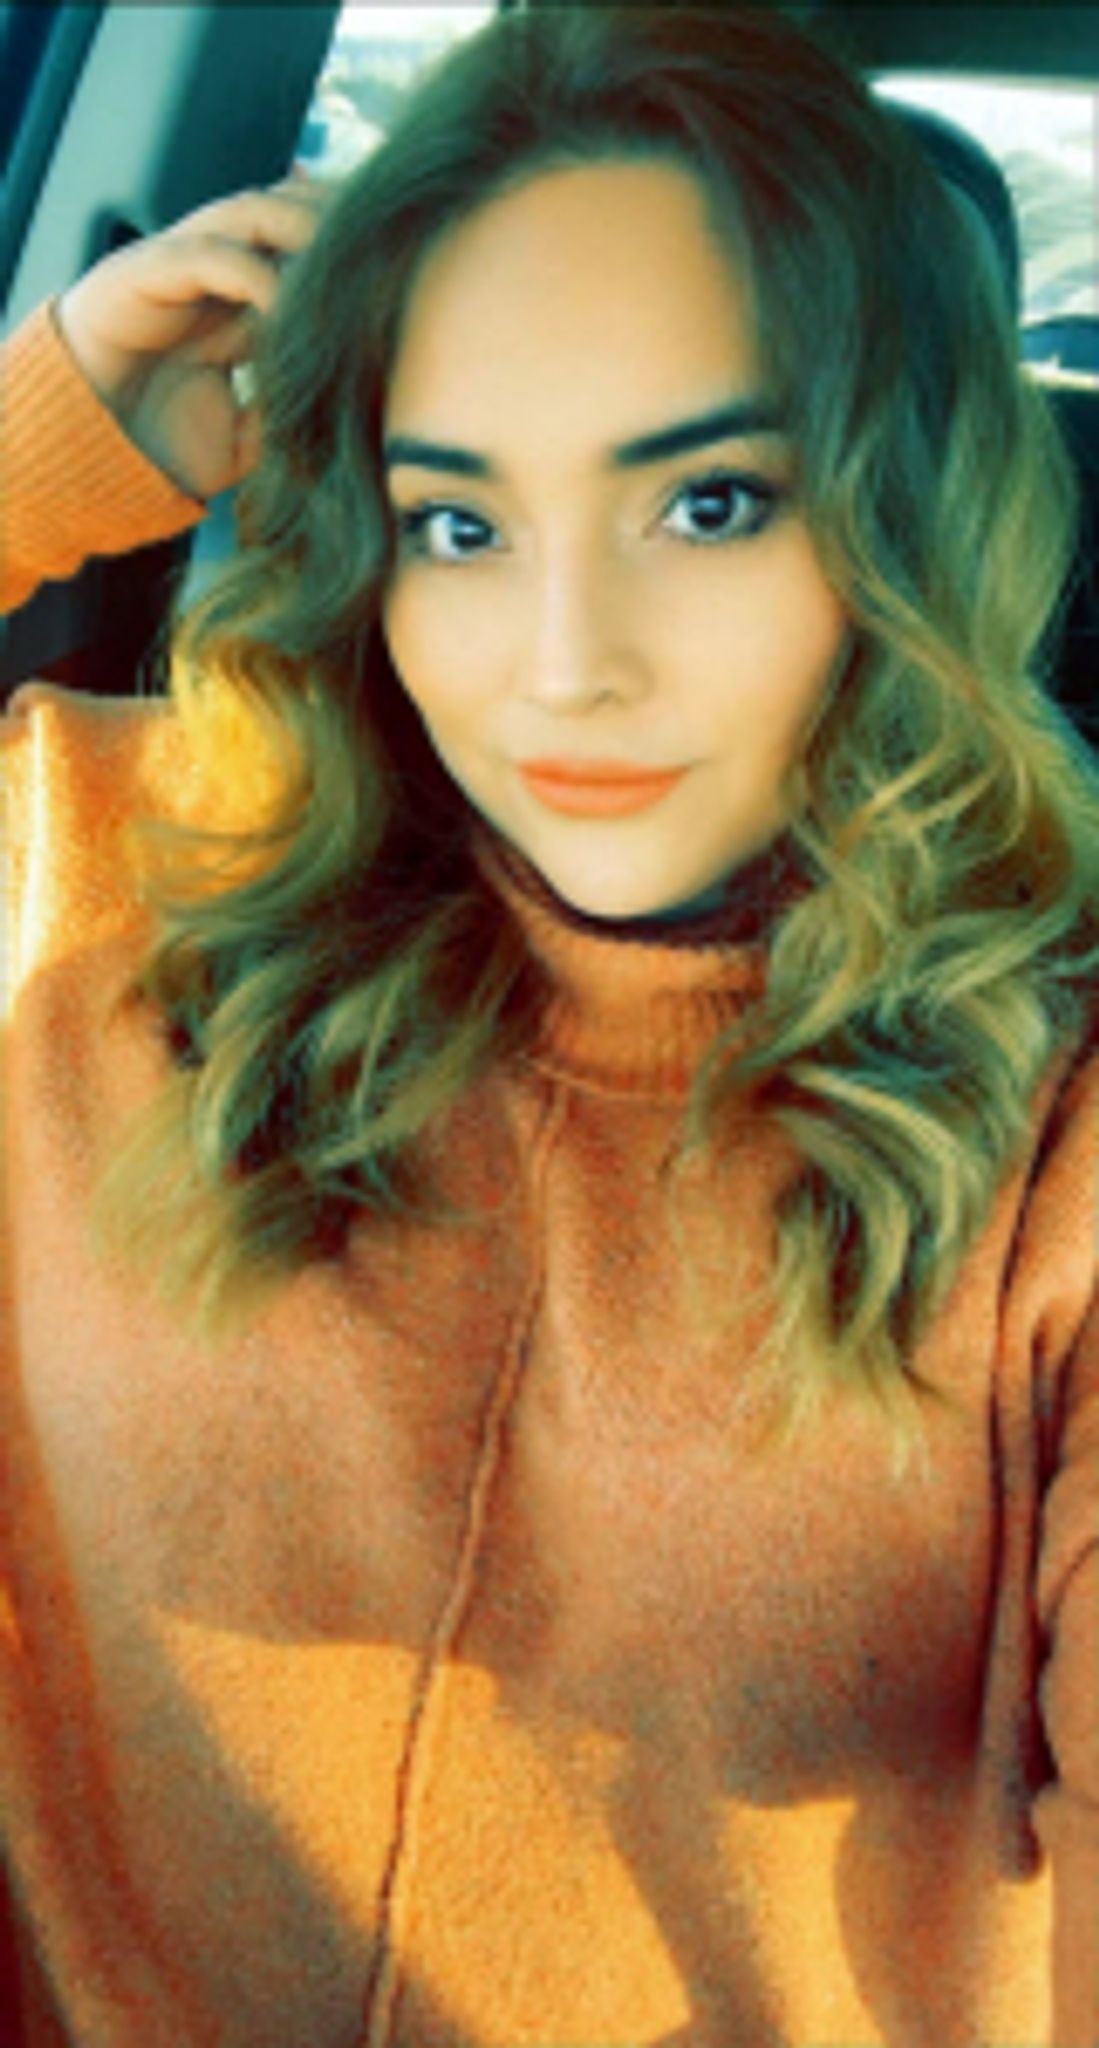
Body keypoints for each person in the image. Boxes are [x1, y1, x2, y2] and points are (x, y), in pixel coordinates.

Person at [1, 6, 1097, 2044]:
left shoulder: (1067, 1134)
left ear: (908, 513)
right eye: (460, 523)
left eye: (710, 504)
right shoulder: (94, 875)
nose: (563, 666)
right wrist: (36, 437)